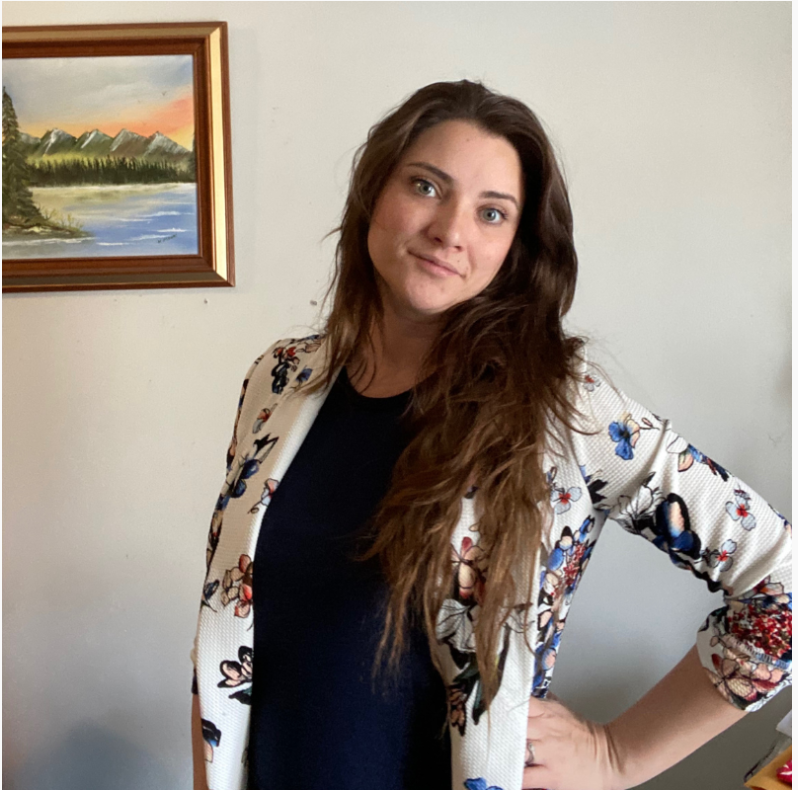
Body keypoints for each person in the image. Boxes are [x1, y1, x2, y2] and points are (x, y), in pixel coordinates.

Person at [191, 80, 791, 790]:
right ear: (372, 195)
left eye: (492, 212)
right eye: (425, 185)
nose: (451, 230)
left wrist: (617, 757)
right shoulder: (280, 381)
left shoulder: (565, 410)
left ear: (516, 245)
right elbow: (232, 629)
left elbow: (780, 586)